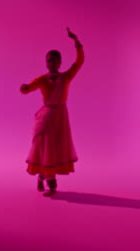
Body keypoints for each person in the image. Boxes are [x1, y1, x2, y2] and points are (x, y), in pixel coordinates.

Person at [20, 27, 84, 196]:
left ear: (60, 63)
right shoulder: (42, 79)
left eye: (55, 61)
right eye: (49, 61)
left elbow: (79, 63)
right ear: (46, 62)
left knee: (54, 147)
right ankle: (51, 185)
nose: (52, 64)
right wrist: (25, 87)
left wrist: (77, 43)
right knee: (45, 145)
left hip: (60, 116)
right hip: (46, 116)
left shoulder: (66, 77)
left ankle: (42, 177)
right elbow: (29, 88)